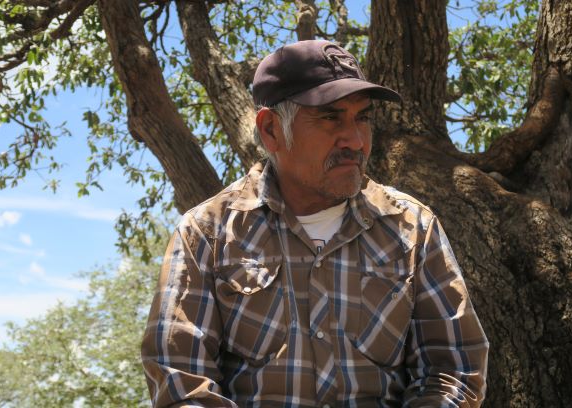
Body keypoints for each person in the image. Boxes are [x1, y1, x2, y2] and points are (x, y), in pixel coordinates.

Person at [141, 40, 489, 407]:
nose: (355, 140)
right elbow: (180, 380)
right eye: (330, 118)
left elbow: (454, 370)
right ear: (271, 130)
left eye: (363, 117)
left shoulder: (412, 228)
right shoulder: (207, 233)